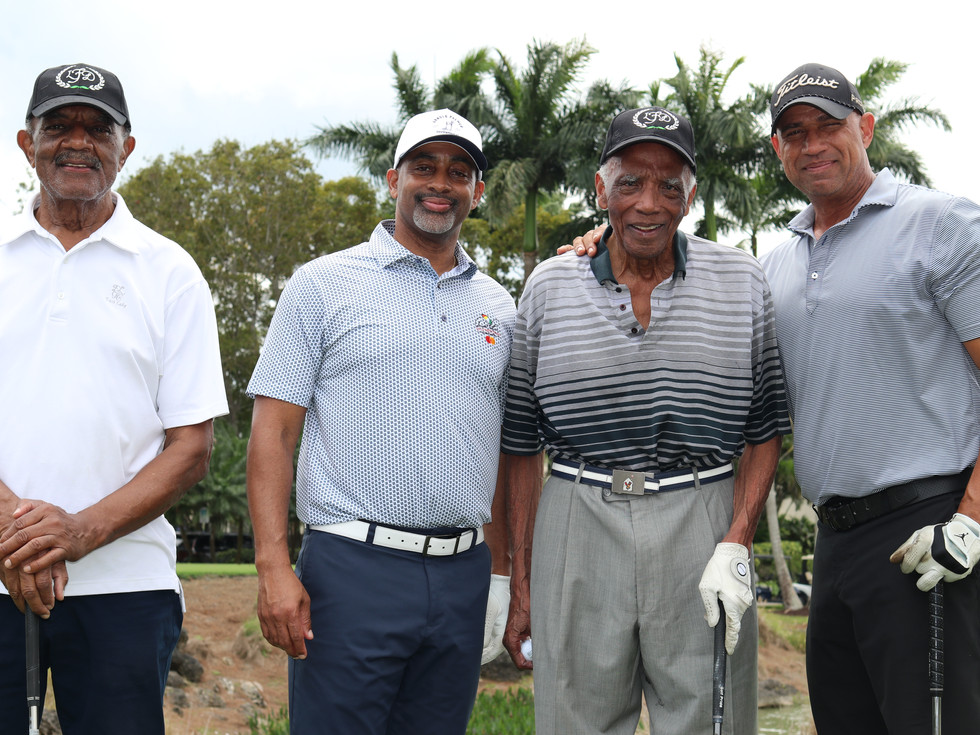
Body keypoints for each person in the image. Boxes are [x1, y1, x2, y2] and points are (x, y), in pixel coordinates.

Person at [501, 106, 791, 735]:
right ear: (600, 190)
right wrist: (520, 583)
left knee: (710, 720)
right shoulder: (550, 287)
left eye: (668, 184)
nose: (648, 202)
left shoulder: (742, 281)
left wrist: (738, 539)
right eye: (629, 182)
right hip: (578, 515)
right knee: (575, 719)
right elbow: (520, 446)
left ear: (690, 197)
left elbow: (764, 432)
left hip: (703, 519)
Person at [245, 108, 515, 734]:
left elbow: (500, 452)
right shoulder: (322, 284)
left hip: (461, 574)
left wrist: (499, 576)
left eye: (458, 172)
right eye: (424, 167)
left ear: (477, 192)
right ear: (393, 180)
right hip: (351, 570)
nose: (440, 183)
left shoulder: (500, 305)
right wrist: (273, 567)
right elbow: (274, 434)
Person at [0, 64, 227, 734]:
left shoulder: (170, 272)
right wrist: (14, 532)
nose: (78, 142)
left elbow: (191, 448)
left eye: (98, 128)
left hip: (125, 588)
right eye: (59, 126)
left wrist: (75, 534)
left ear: (126, 147)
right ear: (25, 142)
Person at [760, 63, 980, 734]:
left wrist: (971, 518)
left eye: (829, 125)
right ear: (778, 149)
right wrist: (602, 252)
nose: (812, 143)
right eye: (794, 132)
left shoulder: (939, 223)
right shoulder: (777, 264)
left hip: (930, 528)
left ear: (867, 127)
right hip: (836, 543)